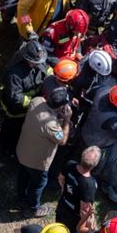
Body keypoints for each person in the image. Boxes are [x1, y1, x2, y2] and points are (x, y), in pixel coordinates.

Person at [16, 87, 72, 217]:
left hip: (23, 151)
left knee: (23, 177)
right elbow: (62, 140)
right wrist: (67, 120)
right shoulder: (51, 125)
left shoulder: (36, 101)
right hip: (37, 162)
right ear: (61, 106)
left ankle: (21, 199)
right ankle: (33, 208)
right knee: (38, 184)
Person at [81, 85, 117, 203]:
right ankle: (95, 186)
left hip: (88, 133)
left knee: (105, 165)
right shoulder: (110, 118)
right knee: (99, 167)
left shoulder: (104, 91)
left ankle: (106, 184)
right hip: (100, 144)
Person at [0, 40, 50, 159]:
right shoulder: (14, 74)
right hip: (15, 111)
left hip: (31, 108)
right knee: (11, 130)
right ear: (27, 58)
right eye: (35, 62)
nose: (38, 64)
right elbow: (16, 98)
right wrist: (35, 102)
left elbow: (47, 71)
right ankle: (7, 149)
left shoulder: (38, 61)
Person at [53, 146, 99, 233]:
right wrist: (90, 224)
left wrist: (65, 193)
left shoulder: (69, 164)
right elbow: (84, 209)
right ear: (95, 165)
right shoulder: (89, 184)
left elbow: (61, 178)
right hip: (75, 217)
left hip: (63, 207)